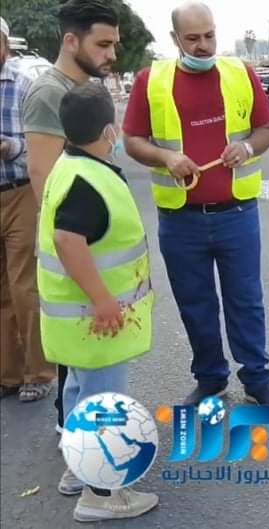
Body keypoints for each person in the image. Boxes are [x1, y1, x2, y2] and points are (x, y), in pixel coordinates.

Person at [123, 2, 269, 406]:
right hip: (180, 219)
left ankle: (257, 379)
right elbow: (133, 141)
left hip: (237, 214)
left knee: (246, 301)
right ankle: (210, 379)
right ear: (175, 39)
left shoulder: (240, 73)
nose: (203, 45)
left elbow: (265, 129)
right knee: (195, 304)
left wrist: (246, 148)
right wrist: (166, 157)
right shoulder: (151, 80)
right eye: (192, 38)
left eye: (209, 35)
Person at [39, 81, 159, 522]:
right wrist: (104, 300)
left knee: (80, 392)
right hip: (97, 320)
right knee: (103, 403)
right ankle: (101, 494)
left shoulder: (69, 164)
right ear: (110, 131)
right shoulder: (88, 181)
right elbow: (67, 240)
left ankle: (78, 469)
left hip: (75, 321)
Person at [21, 0, 119, 493]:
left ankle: (83, 460)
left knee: (84, 360)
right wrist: (79, 263)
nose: (111, 54)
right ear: (71, 40)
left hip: (87, 247)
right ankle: (85, 464)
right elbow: (46, 182)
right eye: (103, 44)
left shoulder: (83, 90)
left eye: (114, 44)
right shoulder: (49, 94)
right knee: (80, 363)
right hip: (74, 252)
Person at [1, 17, 57, 403]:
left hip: (19, 192)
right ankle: (7, 374)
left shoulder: (23, 84)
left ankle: (38, 373)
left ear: (5, 44)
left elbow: (40, 143)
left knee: (23, 286)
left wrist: (10, 147)